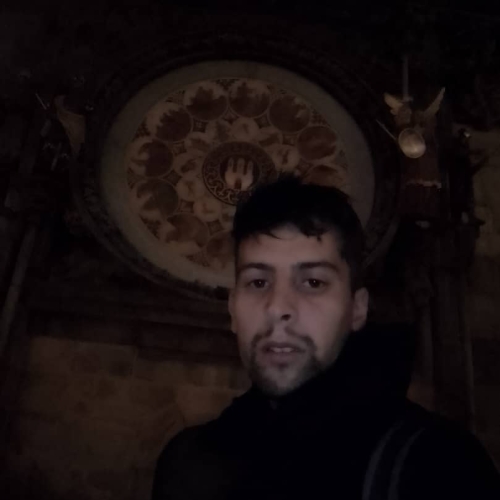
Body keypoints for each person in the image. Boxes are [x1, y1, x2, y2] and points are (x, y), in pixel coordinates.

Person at [152, 175, 500, 500]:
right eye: (258, 282)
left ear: (357, 309)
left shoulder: (436, 464)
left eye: (313, 282)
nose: (277, 307)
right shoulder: (186, 463)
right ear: (232, 309)